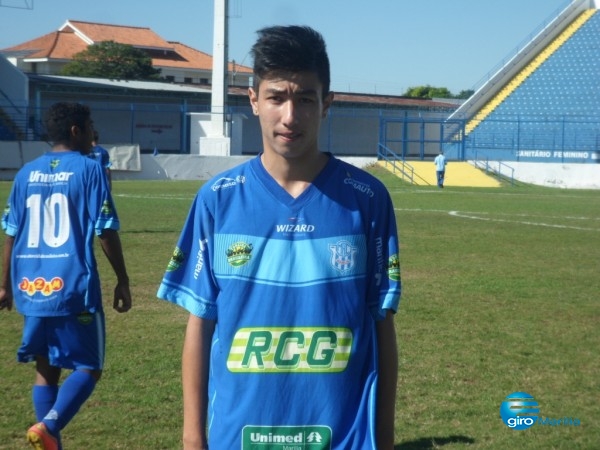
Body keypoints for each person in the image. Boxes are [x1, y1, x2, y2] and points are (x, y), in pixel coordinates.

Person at [157, 25, 401, 450]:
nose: (290, 116)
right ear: (254, 100)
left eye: (305, 99)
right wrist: (193, 438)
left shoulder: (367, 199)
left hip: (342, 438)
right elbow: (200, 325)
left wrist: (383, 438)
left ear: (327, 104)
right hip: (239, 437)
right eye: (276, 97)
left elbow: (383, 328)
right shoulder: (216, 200)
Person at [0, 102, 132, 450]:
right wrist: (122, 278)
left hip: (31, 286)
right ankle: (49, 425)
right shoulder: (88, 170)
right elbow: (105, 230)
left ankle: (49, 441)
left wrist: (4, 286)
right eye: (89, 125)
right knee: (89, 366)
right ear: (76, 130)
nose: (93, 133)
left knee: (46, 369)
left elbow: (10, 232)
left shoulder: (25, 173)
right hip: (73, 287)